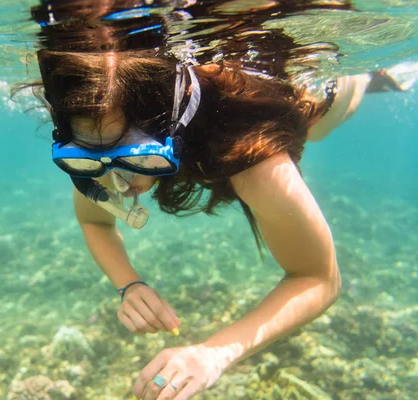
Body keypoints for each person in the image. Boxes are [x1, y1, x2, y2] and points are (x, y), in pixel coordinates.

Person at [21, 1, 415, 399]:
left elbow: (319, 278)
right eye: (86, 160)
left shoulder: (255, 159)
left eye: (136, 160)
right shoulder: (98, 133)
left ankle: (374, 78)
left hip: (309, 101)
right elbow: (95, 221)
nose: (114, 183)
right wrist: (129, 285)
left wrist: (213, 355)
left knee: (321, 122)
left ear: (170, 131)